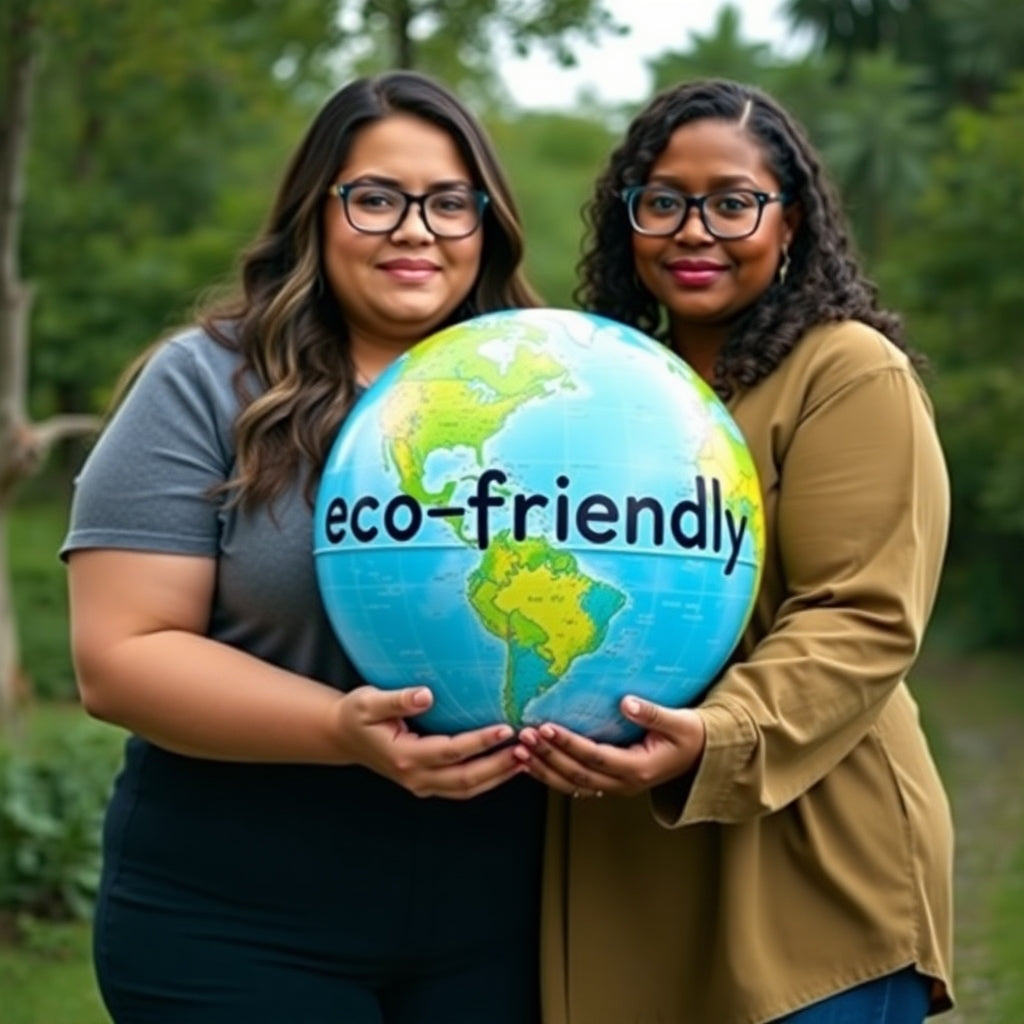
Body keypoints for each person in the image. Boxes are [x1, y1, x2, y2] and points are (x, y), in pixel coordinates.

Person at [61, 70, 547, 1024]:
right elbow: (118, 660)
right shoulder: (204, 384)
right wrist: (340, 733)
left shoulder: (560, 393)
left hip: (505, 909)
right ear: (316, 214)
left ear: (486, 222)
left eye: (450, 202)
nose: (416, 229)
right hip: (233, 913)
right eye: (376, 198)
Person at [515, 78, 955, 1024]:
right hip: (626, 854)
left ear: (788, 222)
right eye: (663, 200)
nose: (693, 229)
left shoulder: (845, 370)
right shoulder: (606, 389)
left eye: (732, 202)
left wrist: (716, 738)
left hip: (808, 856)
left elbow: (864, 616)